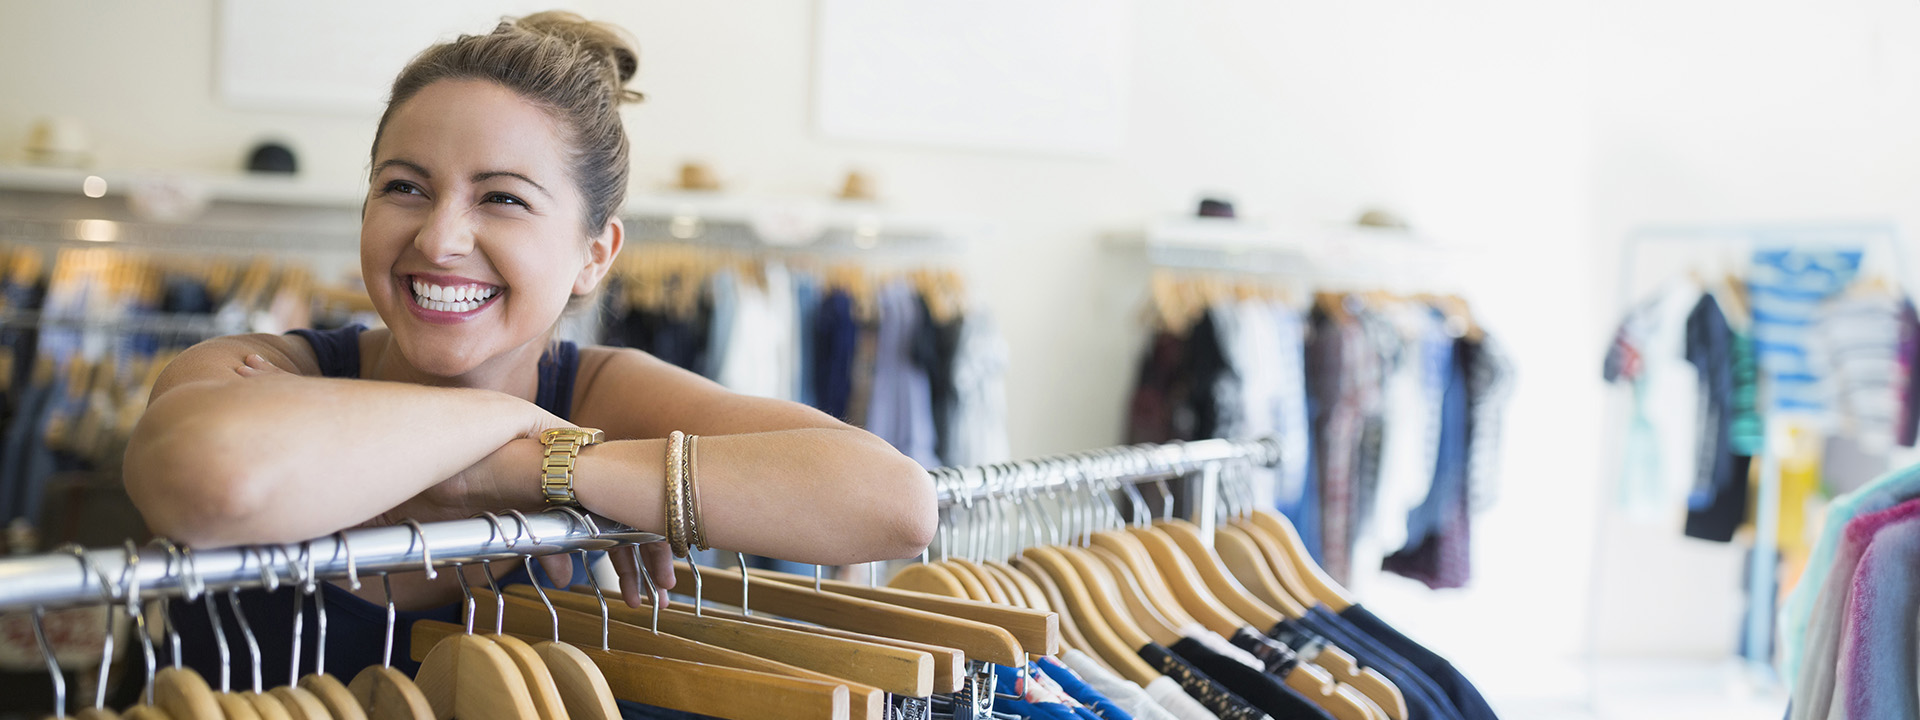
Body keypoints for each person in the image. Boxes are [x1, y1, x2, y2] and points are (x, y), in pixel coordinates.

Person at [122, 11, 935, 679]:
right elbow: (214, 480)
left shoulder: (604, 392)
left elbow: (894, 506)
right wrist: (518, 430)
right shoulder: (269, 367)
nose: (439, 239)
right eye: (404, 187)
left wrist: (539, 466)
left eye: (502, 198)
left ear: (595, 254)